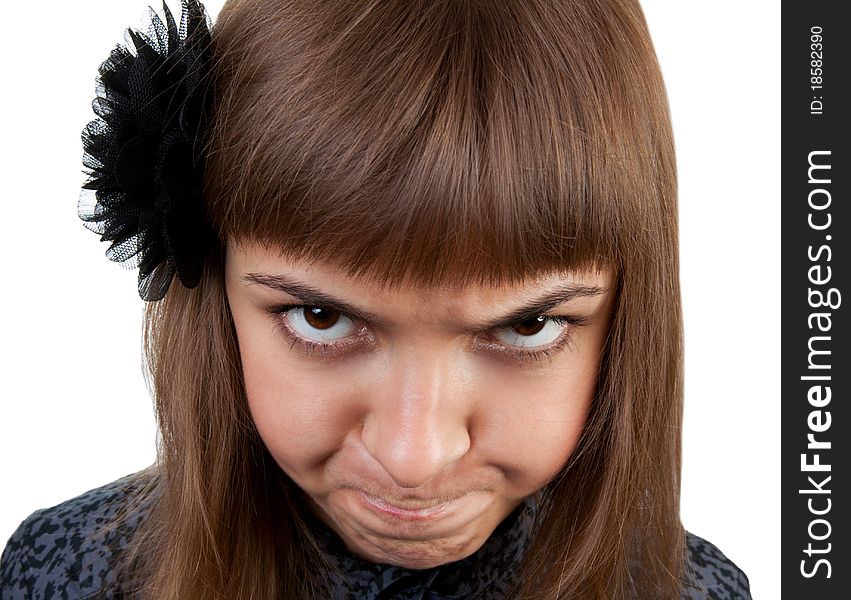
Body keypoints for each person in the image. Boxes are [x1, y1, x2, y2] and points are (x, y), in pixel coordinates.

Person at [0, 0, 751, 598]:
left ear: (625, 312)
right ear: (216, 290)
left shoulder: (696, 591)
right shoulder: (69, 577)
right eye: (321, 317)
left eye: (527, 325)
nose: (413, 457)